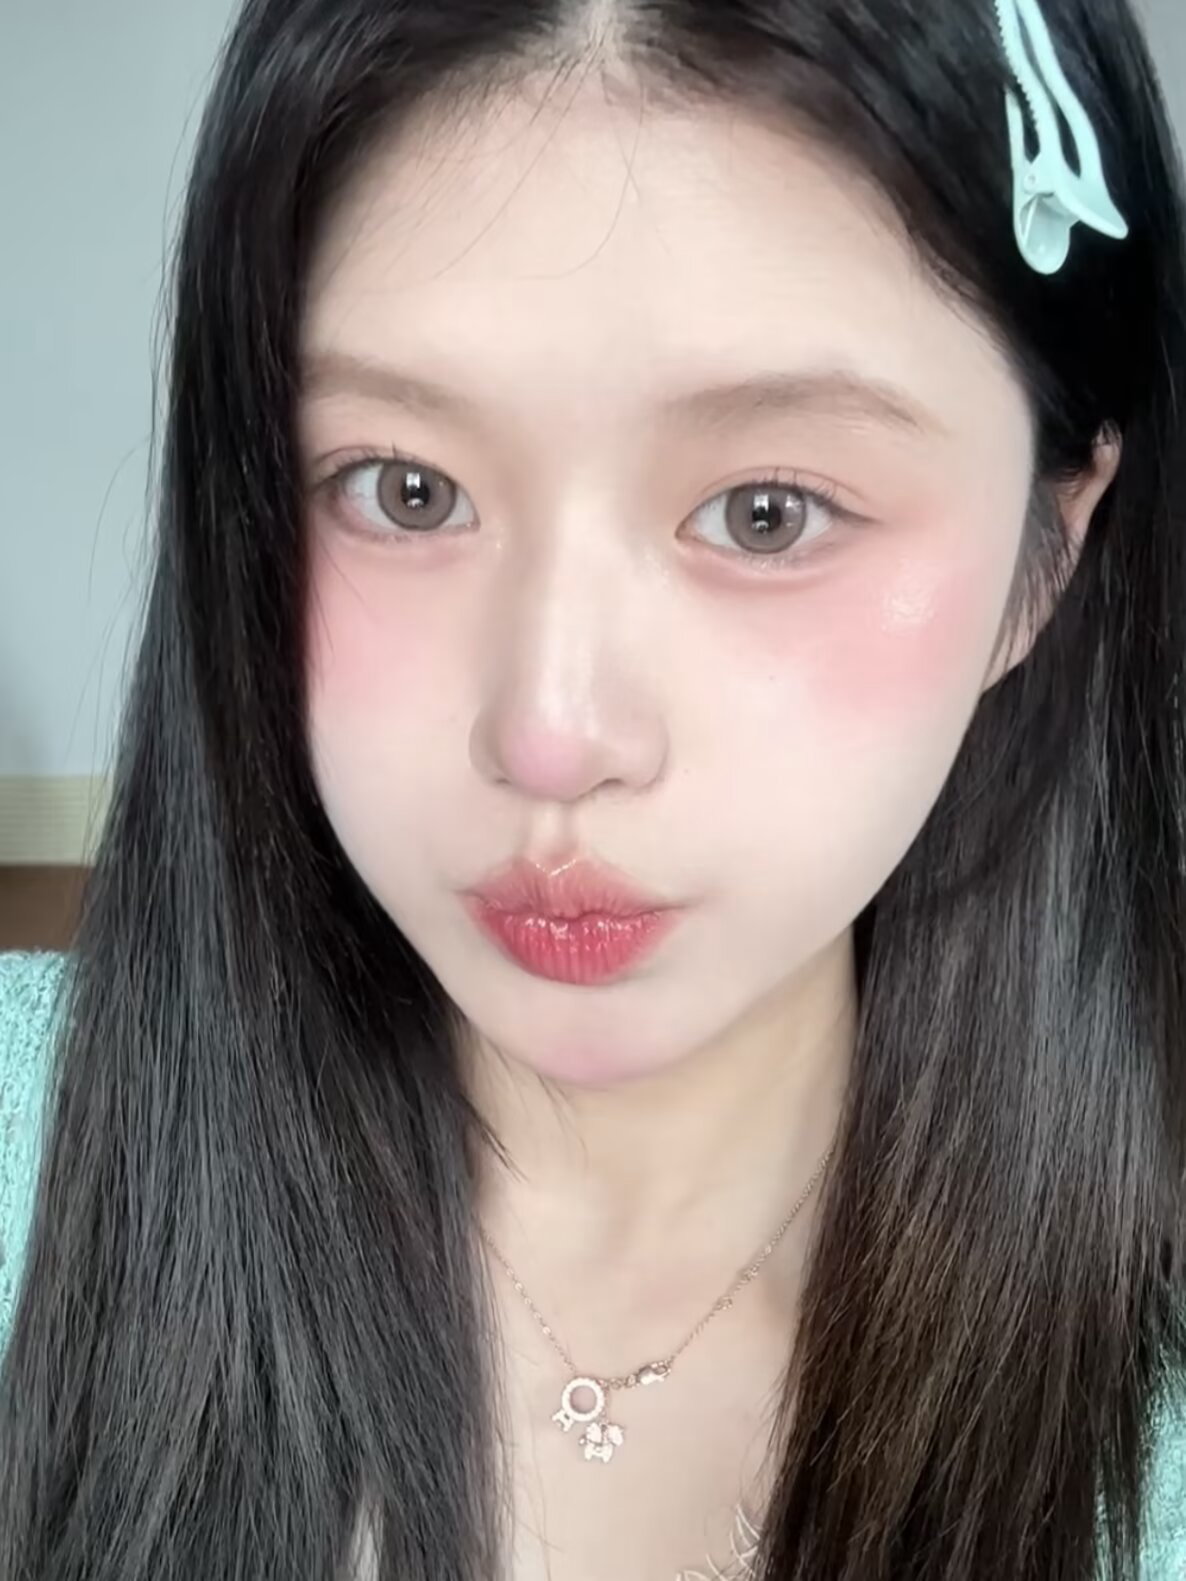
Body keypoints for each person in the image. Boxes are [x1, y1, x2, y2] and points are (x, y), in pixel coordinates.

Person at [1, 0, 1184, 1575]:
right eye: (404, 490)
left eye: (767, 513)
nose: (550, 736)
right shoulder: (29, 1166)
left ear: (1047, 554)